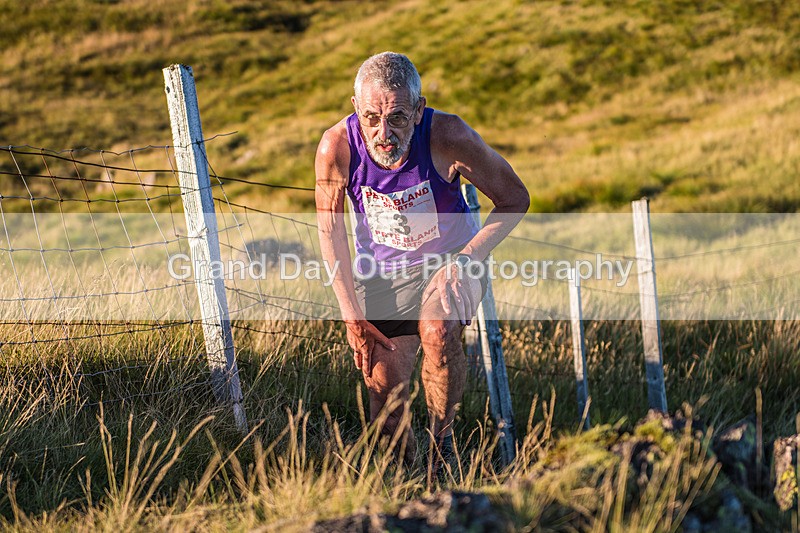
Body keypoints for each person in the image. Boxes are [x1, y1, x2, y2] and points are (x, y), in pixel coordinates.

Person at [315, 52, 529, 467]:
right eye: (371, 117)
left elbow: (515, 198)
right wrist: (351, 314)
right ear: (354, 107)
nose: (383, 132)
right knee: (386, 404)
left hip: (450, 261)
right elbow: (330, 230)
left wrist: (467, 260)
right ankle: (405, 486)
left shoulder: (449, 135)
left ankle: (441, 444)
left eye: (396, 117)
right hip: (382, 272)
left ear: (418, 110)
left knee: (437, 328)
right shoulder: (336, 148)